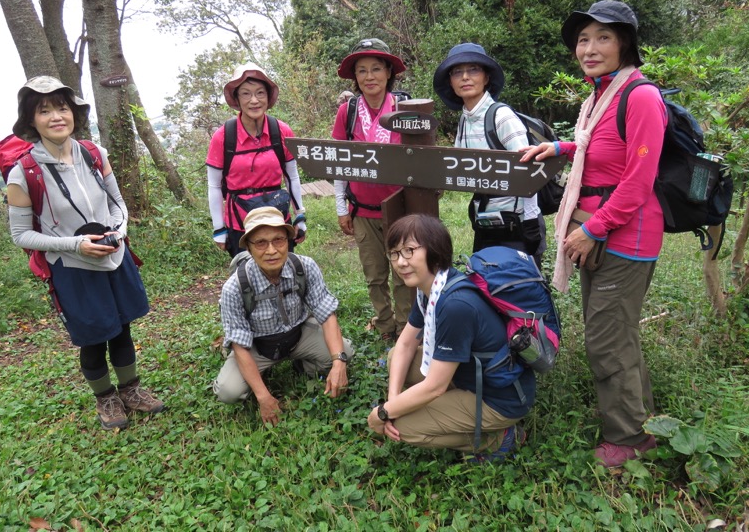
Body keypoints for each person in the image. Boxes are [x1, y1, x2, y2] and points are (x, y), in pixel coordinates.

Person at [520, 0, 667, 467]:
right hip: (597, 233)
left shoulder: (640, 96)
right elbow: (594, 147)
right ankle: (642, 417)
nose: (590, 47)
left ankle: (628, 440)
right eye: (583, 39)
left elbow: (639, 181)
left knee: (606, 339)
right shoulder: (601, 96)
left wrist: (593, 229)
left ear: (625, 43)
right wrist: (558, 145)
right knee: (617, 333)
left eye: (603, 37)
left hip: (624, 237)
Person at [6, 76, 164, 430]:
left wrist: (118, 232)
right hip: (72, 267)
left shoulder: (94, 154)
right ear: (31, 120)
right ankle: (106, 398)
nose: (56, 116)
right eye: (44, 111)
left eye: (62, 107)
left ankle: (131, 389)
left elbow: (117, 203)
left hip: (113, 255)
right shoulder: (24, 173)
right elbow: (21, 235)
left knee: (122, 328)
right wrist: (74, 245)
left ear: (73, 112)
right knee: (93, 338)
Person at [367, 214, 535, 461]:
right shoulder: (432, 288)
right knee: (396, 357)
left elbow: (435, 387)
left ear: (434, 250)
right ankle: (450, 412)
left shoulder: (455, 304)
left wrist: (382, 414)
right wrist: (391, 403)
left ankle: (499, 438)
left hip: (499, 399)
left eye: (409, 251)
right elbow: (403, 345)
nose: (400, 262)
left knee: (403, 427)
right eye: (394, 253)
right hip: (468, 377)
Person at [213, 206, 355, 425]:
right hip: (257, 346)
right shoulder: (234, 288)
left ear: (288, 241)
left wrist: (339, 363)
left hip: (298, 335)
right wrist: (264, 397)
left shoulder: (305, 267)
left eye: (278, 240)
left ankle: (302, 364)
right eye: (261, 243)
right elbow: (240, 344)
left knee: (344, 352)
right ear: (249, 248)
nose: (271, 250)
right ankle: (258, 376)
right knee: (228, 391)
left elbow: (327, 314)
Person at [433, 43, 545, 263]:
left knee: (520, 290)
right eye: (457, 72)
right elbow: (458, 165)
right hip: (485, 222)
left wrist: (531, 222)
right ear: (450, 81)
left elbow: (529, 169)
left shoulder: (501, 116)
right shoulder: (465, 119)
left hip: (517, 224)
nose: (465, 77)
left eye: (473, 69)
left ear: (486, 77)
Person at [332, 39, 412, 342]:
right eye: (362, 70)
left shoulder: (405, 108)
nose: (369, 77)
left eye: (376, 69)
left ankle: (406, 327)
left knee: (405, 271)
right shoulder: (347, 112)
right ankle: (384, 324)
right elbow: (338, 162)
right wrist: (342, 208)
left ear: (388, 71)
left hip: (401, 208)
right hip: (363, 210)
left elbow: (421, 157)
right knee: (375, 275)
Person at [207, 62, 307, 257]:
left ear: (268, 97)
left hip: (278, 220)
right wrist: (219, 228)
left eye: (260, 93)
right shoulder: (223, 136)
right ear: (237, 98)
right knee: (246, 279)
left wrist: (299, 216)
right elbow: (214, 185)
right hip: (240, 224)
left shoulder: (281, 131)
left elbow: (292, 177)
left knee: (284, 275)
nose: (254, 100)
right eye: (246, 93)